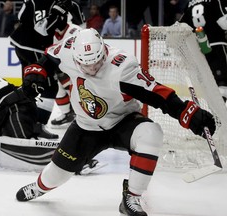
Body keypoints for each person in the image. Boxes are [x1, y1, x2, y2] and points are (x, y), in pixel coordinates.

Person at [15, 28, 216, 215]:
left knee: (151, 133)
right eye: (86, 64)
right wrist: (35, 74)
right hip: (86, 127)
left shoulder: (122, 65)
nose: (92, 68)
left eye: (97, 61)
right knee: (54, 176)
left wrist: (187, 113)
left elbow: (156, 93)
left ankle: (132, 196)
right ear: (75, 57)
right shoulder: (68, 49)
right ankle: (39, 187)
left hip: (123, 122)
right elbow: (47, 60)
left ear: (104, 50)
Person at [9, 0, 85, 139]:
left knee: (29, 85)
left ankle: (17, 121)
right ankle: (36, 126)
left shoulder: (32, 1)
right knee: (48, 87)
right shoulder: (62, 4)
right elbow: (42, 30)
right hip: (35, 47)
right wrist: (57, 12)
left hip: (19, 43)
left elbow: (21, 16)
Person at [179, 0, 227, 101]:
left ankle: (217, 110)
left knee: (213, 82)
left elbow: (181, 28)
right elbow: (223, 22)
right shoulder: (214, 1)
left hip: (200, 48)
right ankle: (222, 111)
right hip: (218, 45)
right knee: (223, 81)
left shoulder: (190, 5)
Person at [49, 22, 82, 128]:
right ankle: (67, 114)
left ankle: (80, 113)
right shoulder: (49, 32)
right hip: (59, 67)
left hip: (78, 68)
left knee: (74, 87)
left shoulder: (75, 30)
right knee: (55, 87)